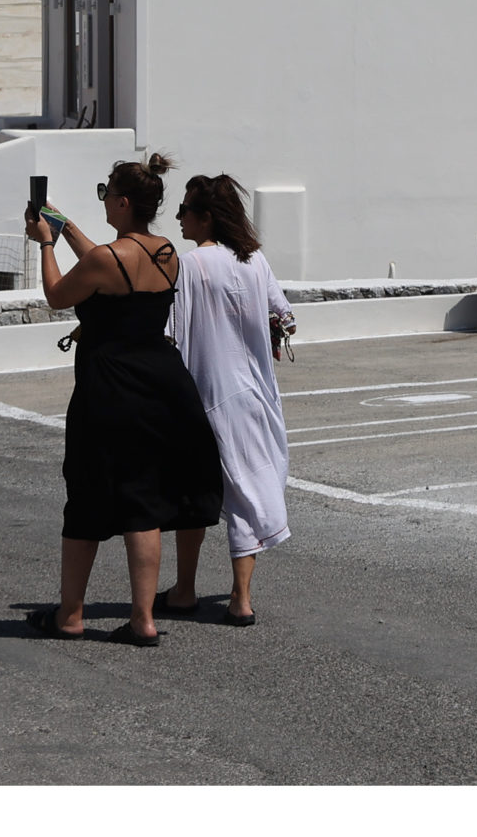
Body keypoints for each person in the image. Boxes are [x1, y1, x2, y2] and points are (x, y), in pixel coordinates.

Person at [24, 154, 222, 645]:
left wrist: (46, 243)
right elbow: (111, 265)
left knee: (88, 491)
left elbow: (57, 294)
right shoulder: (167, 251)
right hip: (161, 381)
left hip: (110, 385)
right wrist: (65, 224)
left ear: (124, 201)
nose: (104, 201)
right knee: (145, 500)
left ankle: (70, 614)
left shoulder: (106, 261)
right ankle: (143, 618)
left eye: (106, 193)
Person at [161, 173, 294, 626]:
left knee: (195, 492)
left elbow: (170, 332)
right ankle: (240, 597)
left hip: (206, 394)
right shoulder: (255, 260)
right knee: (248, 489)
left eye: (184, 210)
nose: (178, 217)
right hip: (256, 394)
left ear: (204, 218)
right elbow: (286, 316)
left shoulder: (190, 265)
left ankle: (184, 590)